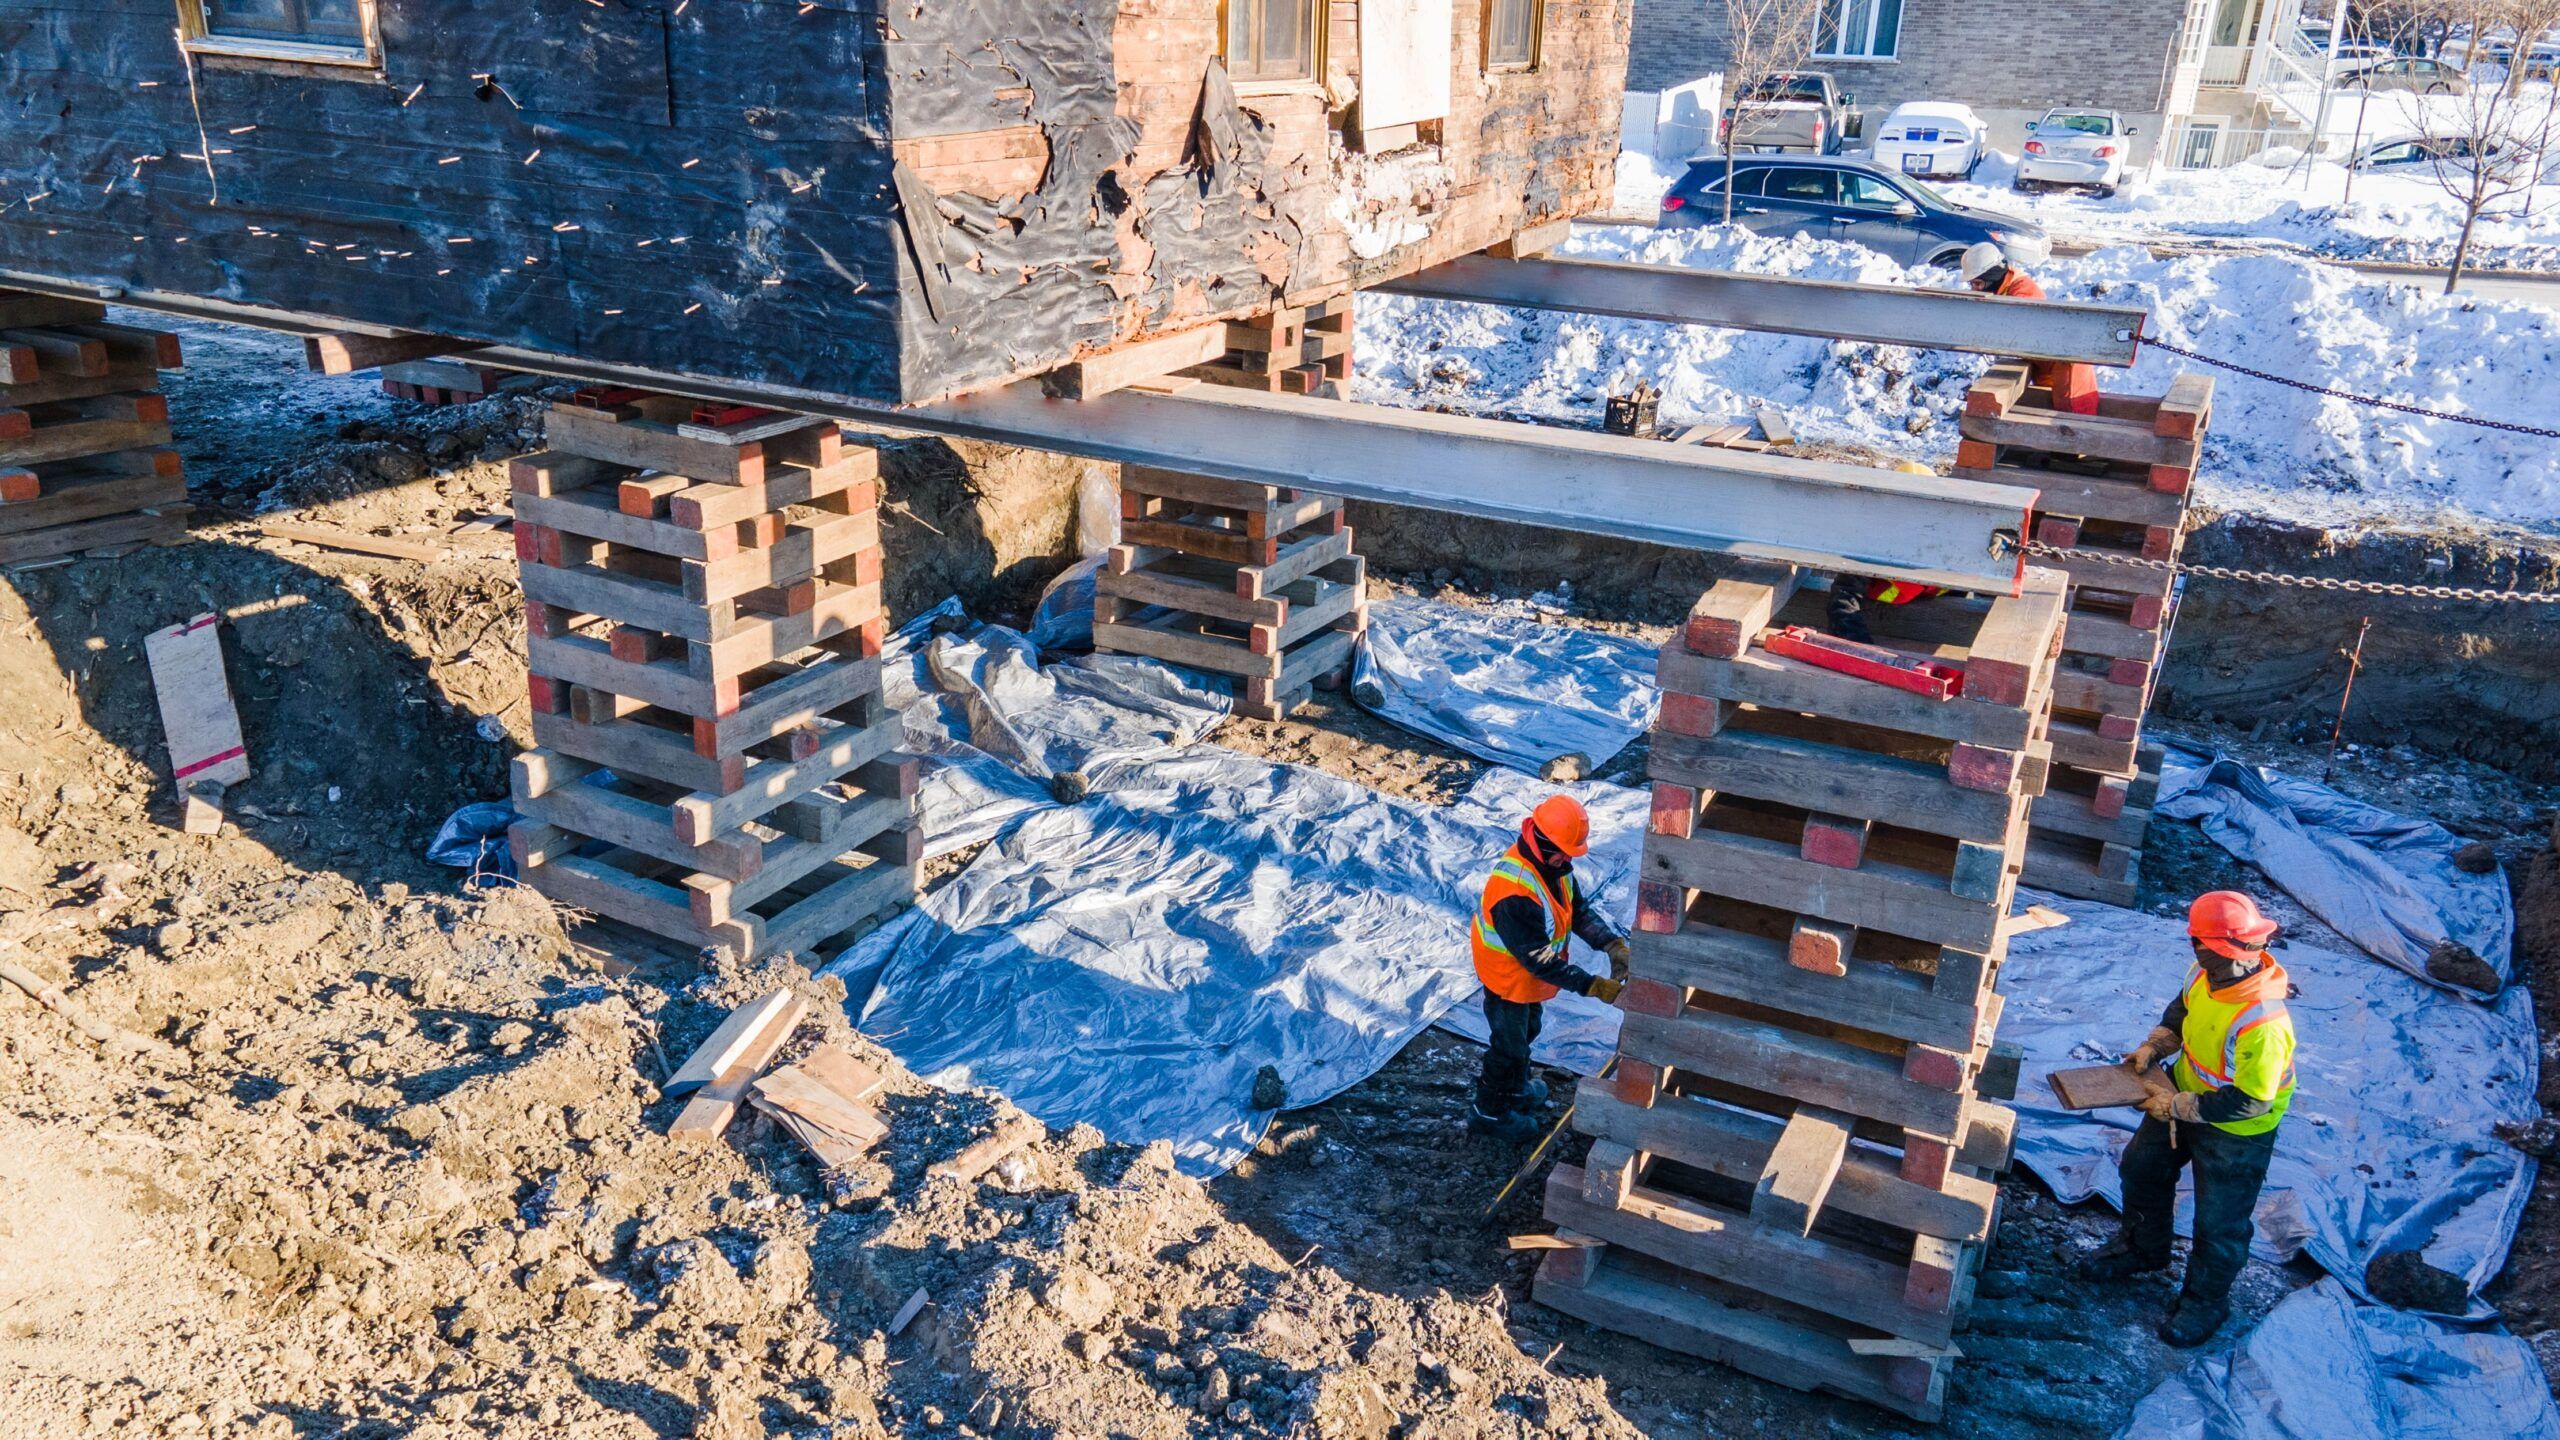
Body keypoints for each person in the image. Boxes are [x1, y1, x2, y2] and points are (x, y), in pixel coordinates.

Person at [2079, 890, 2298, 1347]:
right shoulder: (2203, 972)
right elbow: (2181, 1012)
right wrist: (2156, 1045)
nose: (2236, 959)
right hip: (2181, 1092)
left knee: (2219, 1223)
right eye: (2220, 952)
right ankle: (2144, 1249)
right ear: (2199, 947)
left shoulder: (2264, 1021)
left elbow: (2250, 1101)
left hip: (2236, 1130)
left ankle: (2206, 1301)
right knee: (2141, 1168)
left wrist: (2174, 1106)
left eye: (2241, 951)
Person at [1469, 795, 1630, 1138]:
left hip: (1526, 981)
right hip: (1507, 980)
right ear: (1541, 842)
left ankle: (1517, 1091)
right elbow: (1539, 960)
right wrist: (1595, 987)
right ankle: (1489, 1113)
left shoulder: (1555, 868)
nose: (1568, 859)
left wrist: (1611, 945)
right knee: (1508, 1047)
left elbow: (1579, 912)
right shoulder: (1514, 891)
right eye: (1563, 852)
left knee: (1528, 1031)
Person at [1960, 241, 2099, 414]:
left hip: (2068, 366)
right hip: (2047, 366)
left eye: (1978, 284)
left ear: (1992, 277)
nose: (1975, 290)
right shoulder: (2007, 288)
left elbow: (2008, 332)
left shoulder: (2023, 294)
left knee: (2072, 421)